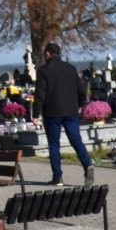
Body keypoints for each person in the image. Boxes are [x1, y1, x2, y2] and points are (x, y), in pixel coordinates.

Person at [34, 43, 95, 187]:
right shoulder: (70, 68)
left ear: (48, 53)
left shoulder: (44, 70)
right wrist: (80, 105)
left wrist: (36, 114)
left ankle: (58, 177)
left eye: (45, 53)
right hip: (70, 110)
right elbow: (80, 89)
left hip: (52, 112)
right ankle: (87, 165)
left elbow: (40, 94)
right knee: (76, 141)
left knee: (54, 144)